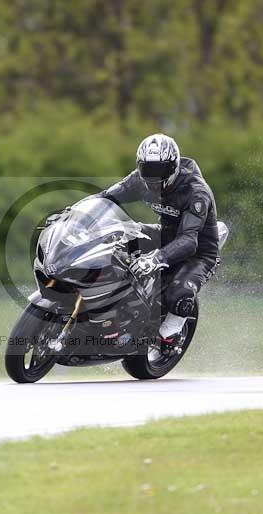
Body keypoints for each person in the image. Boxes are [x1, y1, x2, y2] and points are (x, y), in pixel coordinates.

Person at [94, 133, 221, 359]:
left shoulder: (195, 192)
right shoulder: (138, 179)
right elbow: (105, 199)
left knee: (178, 293)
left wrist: (155, 259)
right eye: (147, 170)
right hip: (165, 235)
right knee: (120, 232)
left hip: (199, 251)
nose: (153, 178)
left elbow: (189, 241)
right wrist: (74, 215)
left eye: (160, 171)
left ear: (172, 167)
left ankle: (171, 332)